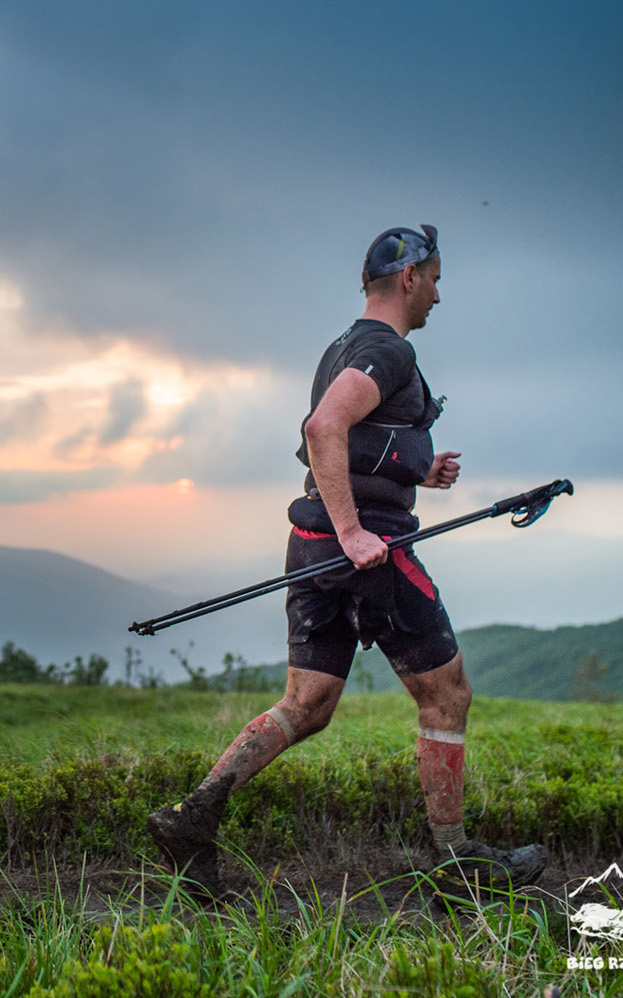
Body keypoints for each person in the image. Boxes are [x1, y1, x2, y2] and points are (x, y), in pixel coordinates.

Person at [147, 224, 546, 897]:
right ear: (410, 277)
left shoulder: (344, 347)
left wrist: (416, 468)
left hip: (312, 544)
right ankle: (455, 865)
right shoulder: (386, 351)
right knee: (446, 694)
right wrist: (358, 531)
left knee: (308, 702)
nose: (440, 297)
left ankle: (194, 817)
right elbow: (322, 429)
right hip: (368, 553)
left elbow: (351, 443)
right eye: (438, 279)